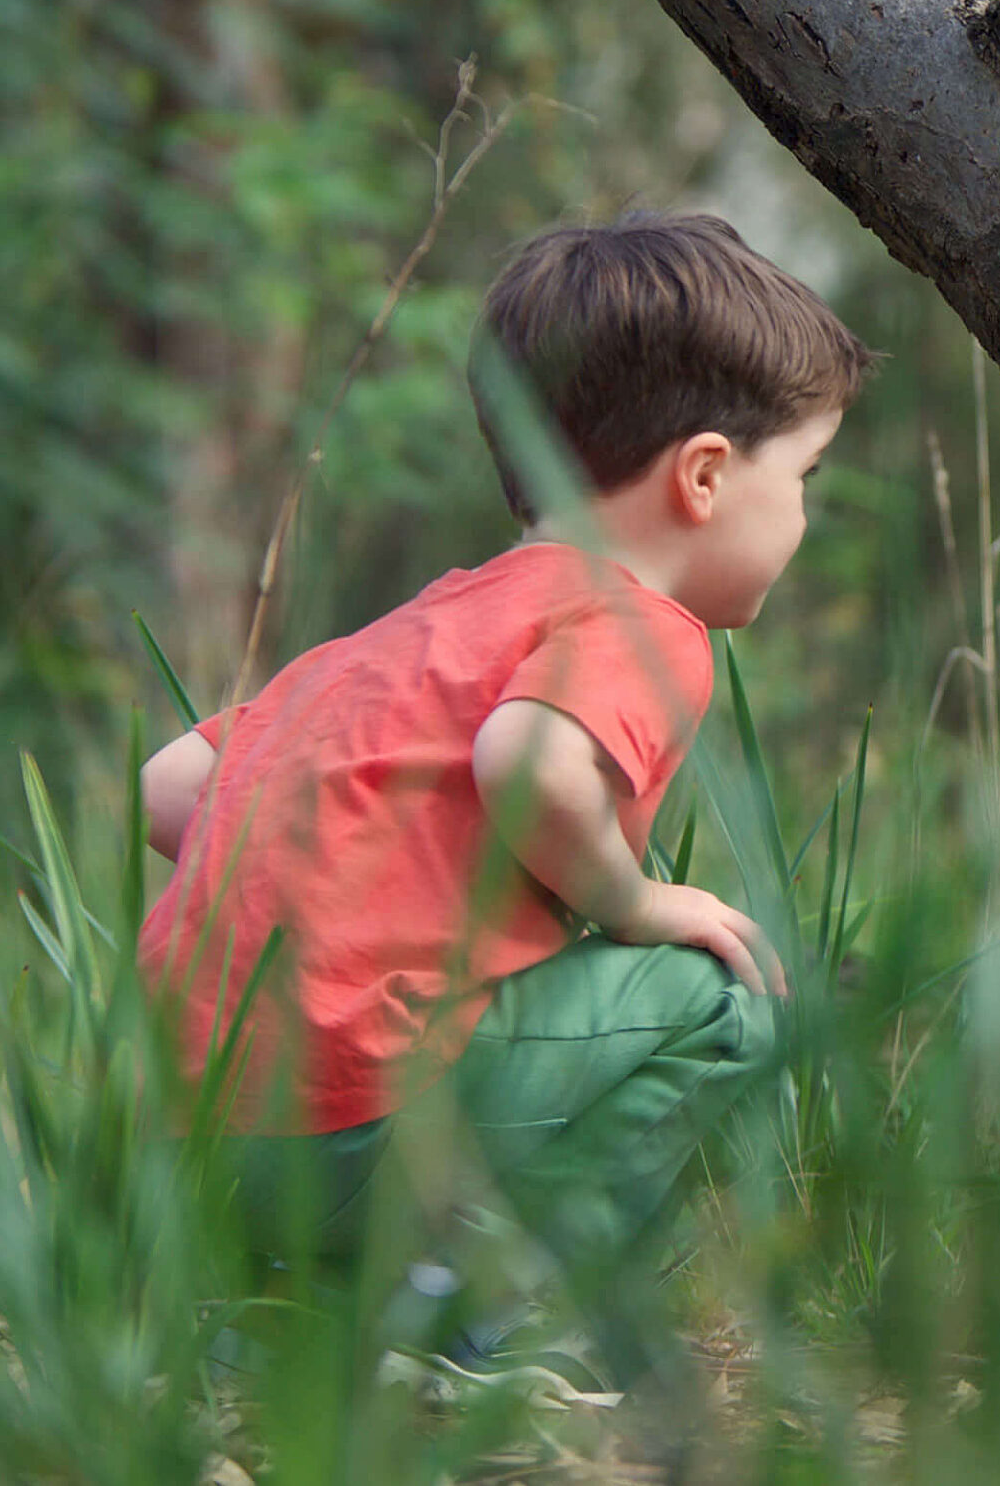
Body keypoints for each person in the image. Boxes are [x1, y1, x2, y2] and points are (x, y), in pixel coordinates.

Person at [134, 211, 861, 1374]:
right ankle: (500, 1317)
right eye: (806, 475)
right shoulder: (642, 622)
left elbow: (172, 784)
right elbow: (527, 761)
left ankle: (304, 1317)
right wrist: (635, 906)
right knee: (718, 997)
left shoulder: (410, 631)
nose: (806, 514)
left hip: (194, 1133)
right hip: (362, 1123)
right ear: (709, 475)